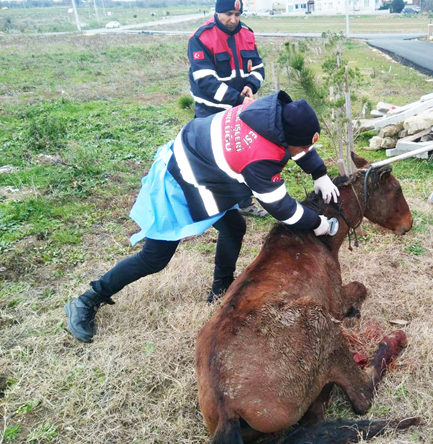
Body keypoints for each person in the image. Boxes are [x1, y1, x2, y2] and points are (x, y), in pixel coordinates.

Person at [64, 91, 340, 343]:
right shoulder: (257, 157)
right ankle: (88, 300)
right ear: (286, 138)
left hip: (205, 168)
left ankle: (221, 287)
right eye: (302, 149)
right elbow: (283, 209)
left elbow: (299, 143)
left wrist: (319, 173)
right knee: (154, 258)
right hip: (178, 181)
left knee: (234, 226)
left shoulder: (269, 114)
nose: (304, 153)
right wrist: (319, 224)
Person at [188, 0, 267, 217]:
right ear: (217, 12)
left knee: (241, 155)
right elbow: (206, 81)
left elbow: (259, 68)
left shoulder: (247, 34)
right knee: (209, 159)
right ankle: (208, 205)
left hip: (239, 109)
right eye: (228, 14)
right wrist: (239, 99)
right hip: (210, 110)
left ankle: (244, 203)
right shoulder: (201, 38)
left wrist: (251, 86)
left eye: (237, 14)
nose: (233, 19)